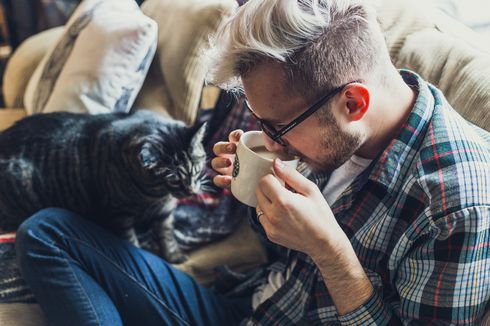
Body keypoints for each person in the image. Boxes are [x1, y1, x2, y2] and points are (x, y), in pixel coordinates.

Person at [15, 0, 490, 325]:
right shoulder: (336, 133)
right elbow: (281, 250)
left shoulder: (457, 206)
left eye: (278, 127)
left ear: (353, 103)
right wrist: (253, 194)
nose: (271, 140)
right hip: (255, 305)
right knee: (46, 232)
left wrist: (332, 254)